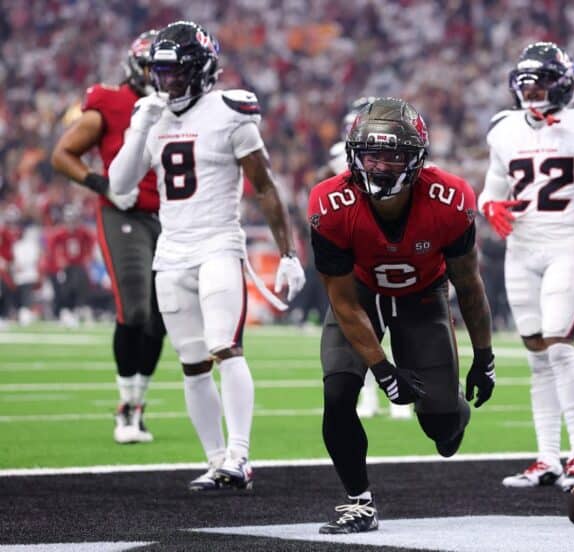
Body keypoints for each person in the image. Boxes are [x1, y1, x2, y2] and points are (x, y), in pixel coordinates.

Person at [108, 21, 305, 490]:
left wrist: (288, 253)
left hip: (218, 244)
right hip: (170, 254)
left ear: (200, 72)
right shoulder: (150, 116)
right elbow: (119, 185)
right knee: (192, 363)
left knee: (226, 347)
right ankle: (216, 460)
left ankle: (239, 454)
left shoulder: (229, 111)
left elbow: (264, 186)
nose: (165, 82)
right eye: (159, 72)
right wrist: (140, 125)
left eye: (175, 73)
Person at [308, 98, 496, 534]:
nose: (380, 166)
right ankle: (359, 502)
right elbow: (341, 299)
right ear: (354, 155)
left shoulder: (450, 199)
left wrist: (484, 357)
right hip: (359, 297)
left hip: (423, 297)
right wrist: (382, 369)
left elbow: (469, 286)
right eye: (371, 154)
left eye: (393, 154)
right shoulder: (329, 202)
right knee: (338, 393)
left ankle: (450, 416)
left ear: (416, 159)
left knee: (442, 429)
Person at [478, 42, 574, 490]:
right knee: (536, 357)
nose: (533, 90)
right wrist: (490, 207)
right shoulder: (503, 129)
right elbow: (491, 189)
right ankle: (547, 458)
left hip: (565, 243)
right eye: (526, 82)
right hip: (520, 249)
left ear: (562, 83)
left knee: (560, 348)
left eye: (541, 81)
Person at [51, 30, 165, 444]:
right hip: (125, 213)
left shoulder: (182, 106)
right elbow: (63, 153)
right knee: (134, 310)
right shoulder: (111, 101)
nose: (165, 74)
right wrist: (104, 185)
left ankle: (137, 405)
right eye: (159, 66)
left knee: (159, 317)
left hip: (170, 217)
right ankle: (124, 406)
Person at [323, 96, 412, 420]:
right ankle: (372, 394)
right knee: (361, 327)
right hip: (359, 249)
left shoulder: (405, 151)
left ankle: (404, 395)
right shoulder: (341, 157)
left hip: (398, 248)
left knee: (403, 324)